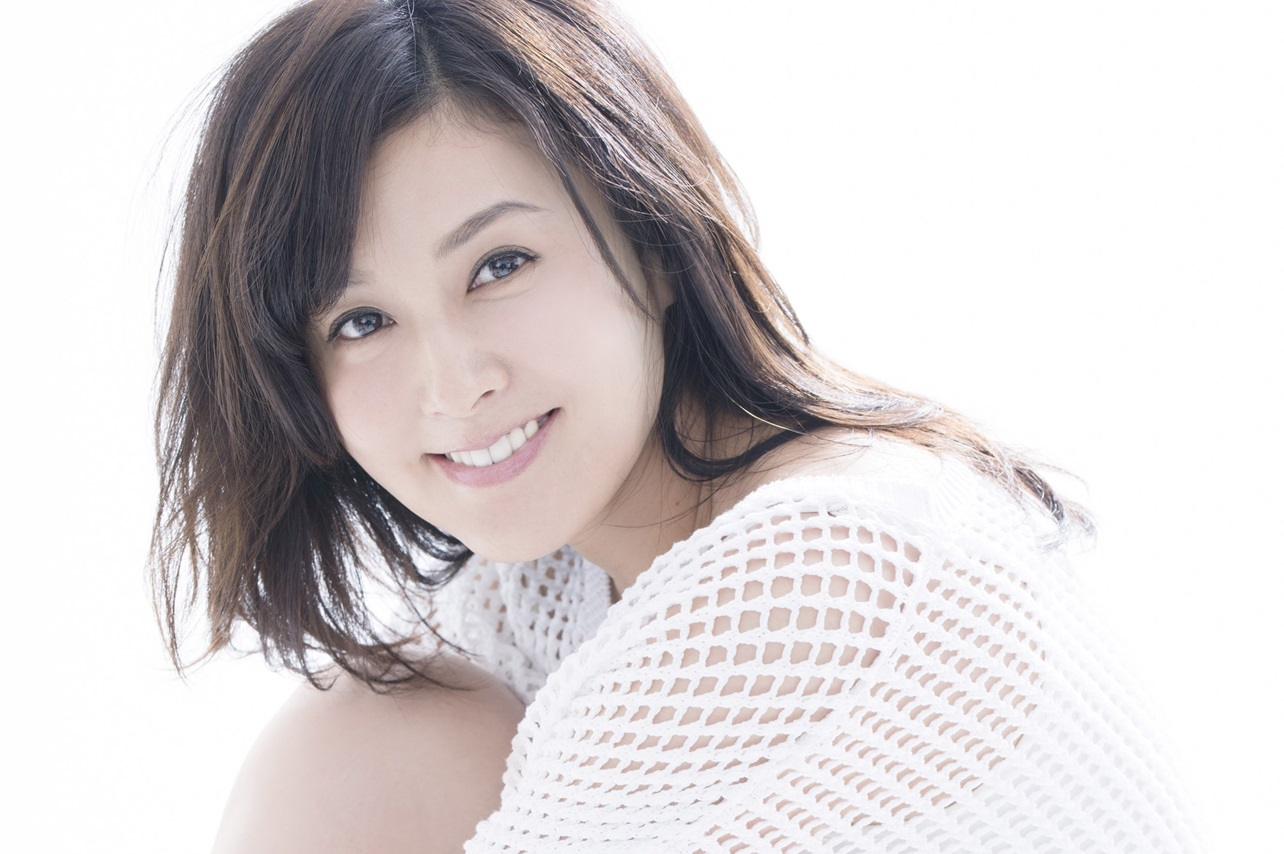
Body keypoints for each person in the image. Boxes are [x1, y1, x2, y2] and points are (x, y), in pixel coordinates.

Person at [151, 0, 1202, 851]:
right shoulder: (552, 583)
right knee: (368, 733)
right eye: (362, 321)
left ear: (651, 236)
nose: (456, 384)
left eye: (500, 265)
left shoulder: (816, 564)